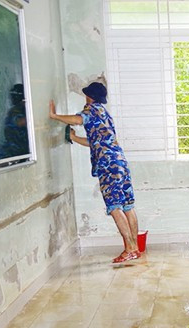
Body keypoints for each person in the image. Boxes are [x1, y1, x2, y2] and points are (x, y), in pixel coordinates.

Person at [49, 82, 141, 263]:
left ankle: (129, 249)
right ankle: (135, 248)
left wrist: (54, 116)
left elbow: (77, 120)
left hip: (108, 166)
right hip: (119, 161)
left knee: (115, 207)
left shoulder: (92, 110)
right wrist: (74, 138)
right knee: (128, 205)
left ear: (90, 96)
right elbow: (95, 143)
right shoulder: (105, 114)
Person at [0, 83, 29, 159]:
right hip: (12, 153)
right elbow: (20, 122)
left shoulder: (21, 110)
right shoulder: (15, 111)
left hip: (19, 152)